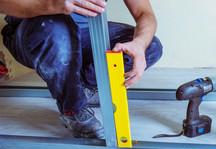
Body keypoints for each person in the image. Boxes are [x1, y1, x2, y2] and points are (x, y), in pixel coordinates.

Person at [0, 0, 163, 139]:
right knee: (56, 28)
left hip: (85, 32)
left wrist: (139, 44)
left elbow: (145, 13)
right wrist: (52, 4)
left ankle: (81, 88)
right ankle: (72, 108)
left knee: (151, 46)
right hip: (36, 29)